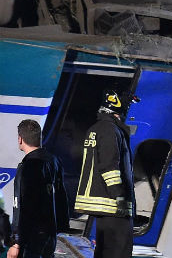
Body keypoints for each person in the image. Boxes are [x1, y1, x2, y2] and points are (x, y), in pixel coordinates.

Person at [74, 90, 138, 258]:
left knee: (104, 251)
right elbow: (109, 166)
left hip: (103, 204)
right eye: (127, 106)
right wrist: (120, 197)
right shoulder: (110, 130)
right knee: (119, 252)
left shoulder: (97, 128)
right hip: (112, 204)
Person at [8, 119, 69, 258]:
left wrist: (16, 242)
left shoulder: (27, 167)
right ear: (39, 138)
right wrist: (60, 227)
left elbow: (21, 206)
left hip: (31, 236)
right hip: (50, 234)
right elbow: (61, 197)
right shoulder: (54, 161)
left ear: (20, 139)